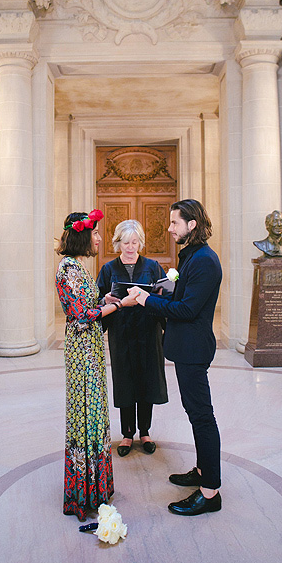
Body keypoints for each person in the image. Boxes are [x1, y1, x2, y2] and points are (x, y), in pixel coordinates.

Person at [128, 200, 222, 516]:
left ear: (191, 224)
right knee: (196, 413)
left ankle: (210, 493)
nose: (169, 229)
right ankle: (201, 471)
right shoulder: (193, 256)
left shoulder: (205, 260)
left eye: (174, 223)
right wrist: (161, 292)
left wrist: (147, 300)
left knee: (202, 416)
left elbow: (187, 310)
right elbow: (181, 297)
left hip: (193, 349)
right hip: (185, 348)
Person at [55, 209, 136, 521]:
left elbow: (89, 305)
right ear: (83, 234)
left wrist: (108, 301)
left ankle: (96, 487)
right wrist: (117, 305)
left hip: (91, 347)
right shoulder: (67, 268)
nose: (100, 238)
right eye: (97, 233)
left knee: (95, 411)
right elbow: (80, 314)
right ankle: (83, 492)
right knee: (85, 412)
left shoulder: (79, 266)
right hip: (81, 351)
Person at [97, 220, 168, 457]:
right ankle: (127, 434)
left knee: (147, 382)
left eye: (135, 242)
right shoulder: (108, 269)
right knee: (125, 382)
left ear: (140, 242)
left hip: (148, 333)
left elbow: (165, 298)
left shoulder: (153, 266)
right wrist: (106, 300)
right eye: (126, 242)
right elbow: (98, 301)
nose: (130, 247)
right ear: (118, 243)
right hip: (123, 333)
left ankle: (145, 432)